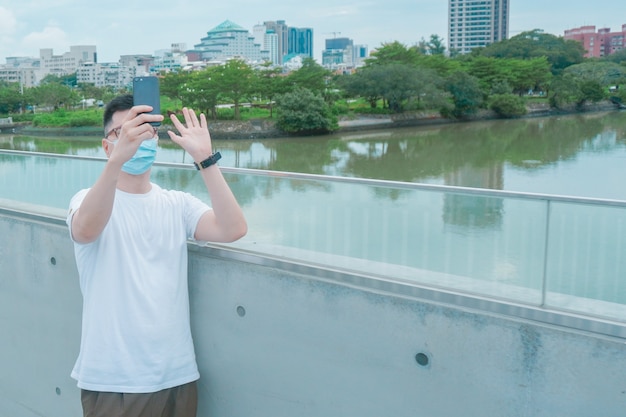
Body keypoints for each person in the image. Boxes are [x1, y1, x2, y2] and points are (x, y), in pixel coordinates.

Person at [66, 94, 247, 417]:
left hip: (177, 374)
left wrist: (205, 159)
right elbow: (85, 231)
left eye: (144, 129)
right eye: (123, 132)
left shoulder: (177, 204)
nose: (136, 138)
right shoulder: (86, 199)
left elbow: (232, 228)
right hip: (116, 380)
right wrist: (116, 164)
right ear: (107, 146)